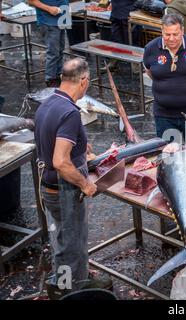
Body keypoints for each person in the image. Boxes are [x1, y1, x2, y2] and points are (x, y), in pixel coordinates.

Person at [34, 58, 112, 299]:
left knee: (62, 238)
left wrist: (83, 148)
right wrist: (85, 183)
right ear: (84, 81)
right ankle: (72, 290)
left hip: (48, 187)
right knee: (72, 243)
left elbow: (51, 140)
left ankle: (68, 280)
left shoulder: (47, 104)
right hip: (64, 189)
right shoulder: (70, 113)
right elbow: (60, 161)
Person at [143, 13, 186, 141]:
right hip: (164, 115)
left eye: (175, 34)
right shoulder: (151, 49)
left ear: (182, 31)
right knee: (168, 155)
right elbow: (150, 72)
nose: (172, 38)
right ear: (161, 31)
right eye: (167, 34)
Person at [28, 0, 70, 87]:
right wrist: (49, 8)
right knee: (53, 52)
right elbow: (31, 1)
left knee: (60, 50)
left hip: (62, 18)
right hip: (48, 20)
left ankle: (58, 75)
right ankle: (50, 79)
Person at [104, 0, 141, 72]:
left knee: (132, 40)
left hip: (130, 12)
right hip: (116, 12)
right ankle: (114, 61)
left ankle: (136, 63)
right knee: (115, 39)